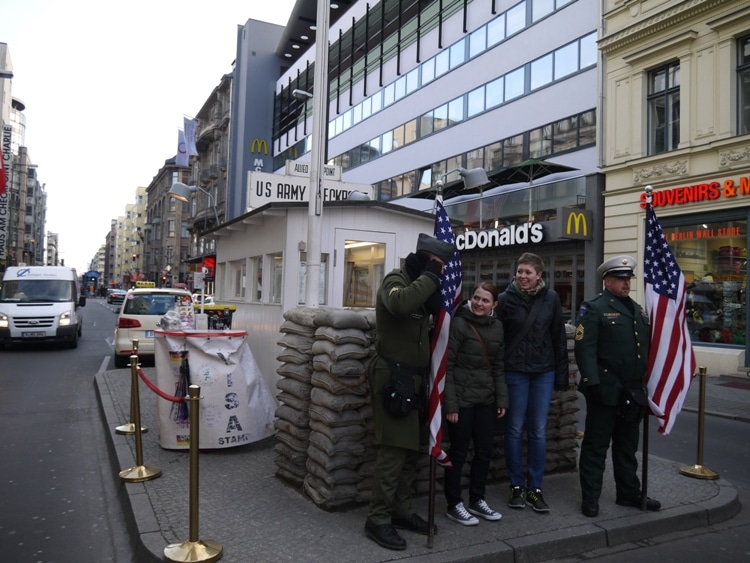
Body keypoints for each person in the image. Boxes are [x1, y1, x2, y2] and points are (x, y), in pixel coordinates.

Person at [364, 232, 457, 551]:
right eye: (440, 266)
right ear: (429, 261)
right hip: (391, 377)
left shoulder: (425, 285)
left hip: (414, 381)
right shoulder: (398, 279)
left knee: (409, 453)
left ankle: (400, 512)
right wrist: (431, 276)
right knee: (392, 452)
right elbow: (400, 304)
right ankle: (377, 520)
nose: (443, 273)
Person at [574, 255, 661, 517]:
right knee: (596, 446)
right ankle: (590, 497)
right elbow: (584, 348)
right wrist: (592, 383)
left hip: (633, 391)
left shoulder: (638, 310)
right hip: (606, 388)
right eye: (621, 279)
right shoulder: (594, 307)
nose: (626, 284)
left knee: (627, 446)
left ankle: (629, 493)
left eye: (628, 279)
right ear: (607, 280)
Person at [497, 252, 569, 513]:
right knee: (514, 430)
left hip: (543, 373)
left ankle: (535, 487)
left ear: (539, 275)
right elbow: (498, 341)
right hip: (515, 371)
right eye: (520, 271)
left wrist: (561, 377)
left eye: (528, 272)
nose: (523, 276)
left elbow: (559, 339)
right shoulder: (505, 300)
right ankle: (516, 485)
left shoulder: (551, 299)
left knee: (538, 431)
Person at [443, 282, 508, 526]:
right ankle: (454, 503)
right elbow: (446, 367)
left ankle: (477, 499)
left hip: (486, 401)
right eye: (477, 298)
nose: (480, 304)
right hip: (462, 401)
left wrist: (502, 398)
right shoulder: (459, 324)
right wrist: (451, 405)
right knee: (458, 453)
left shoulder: (498, 327)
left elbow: (499, 366)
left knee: (484, 452)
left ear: (494, 305)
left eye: (485, 300)